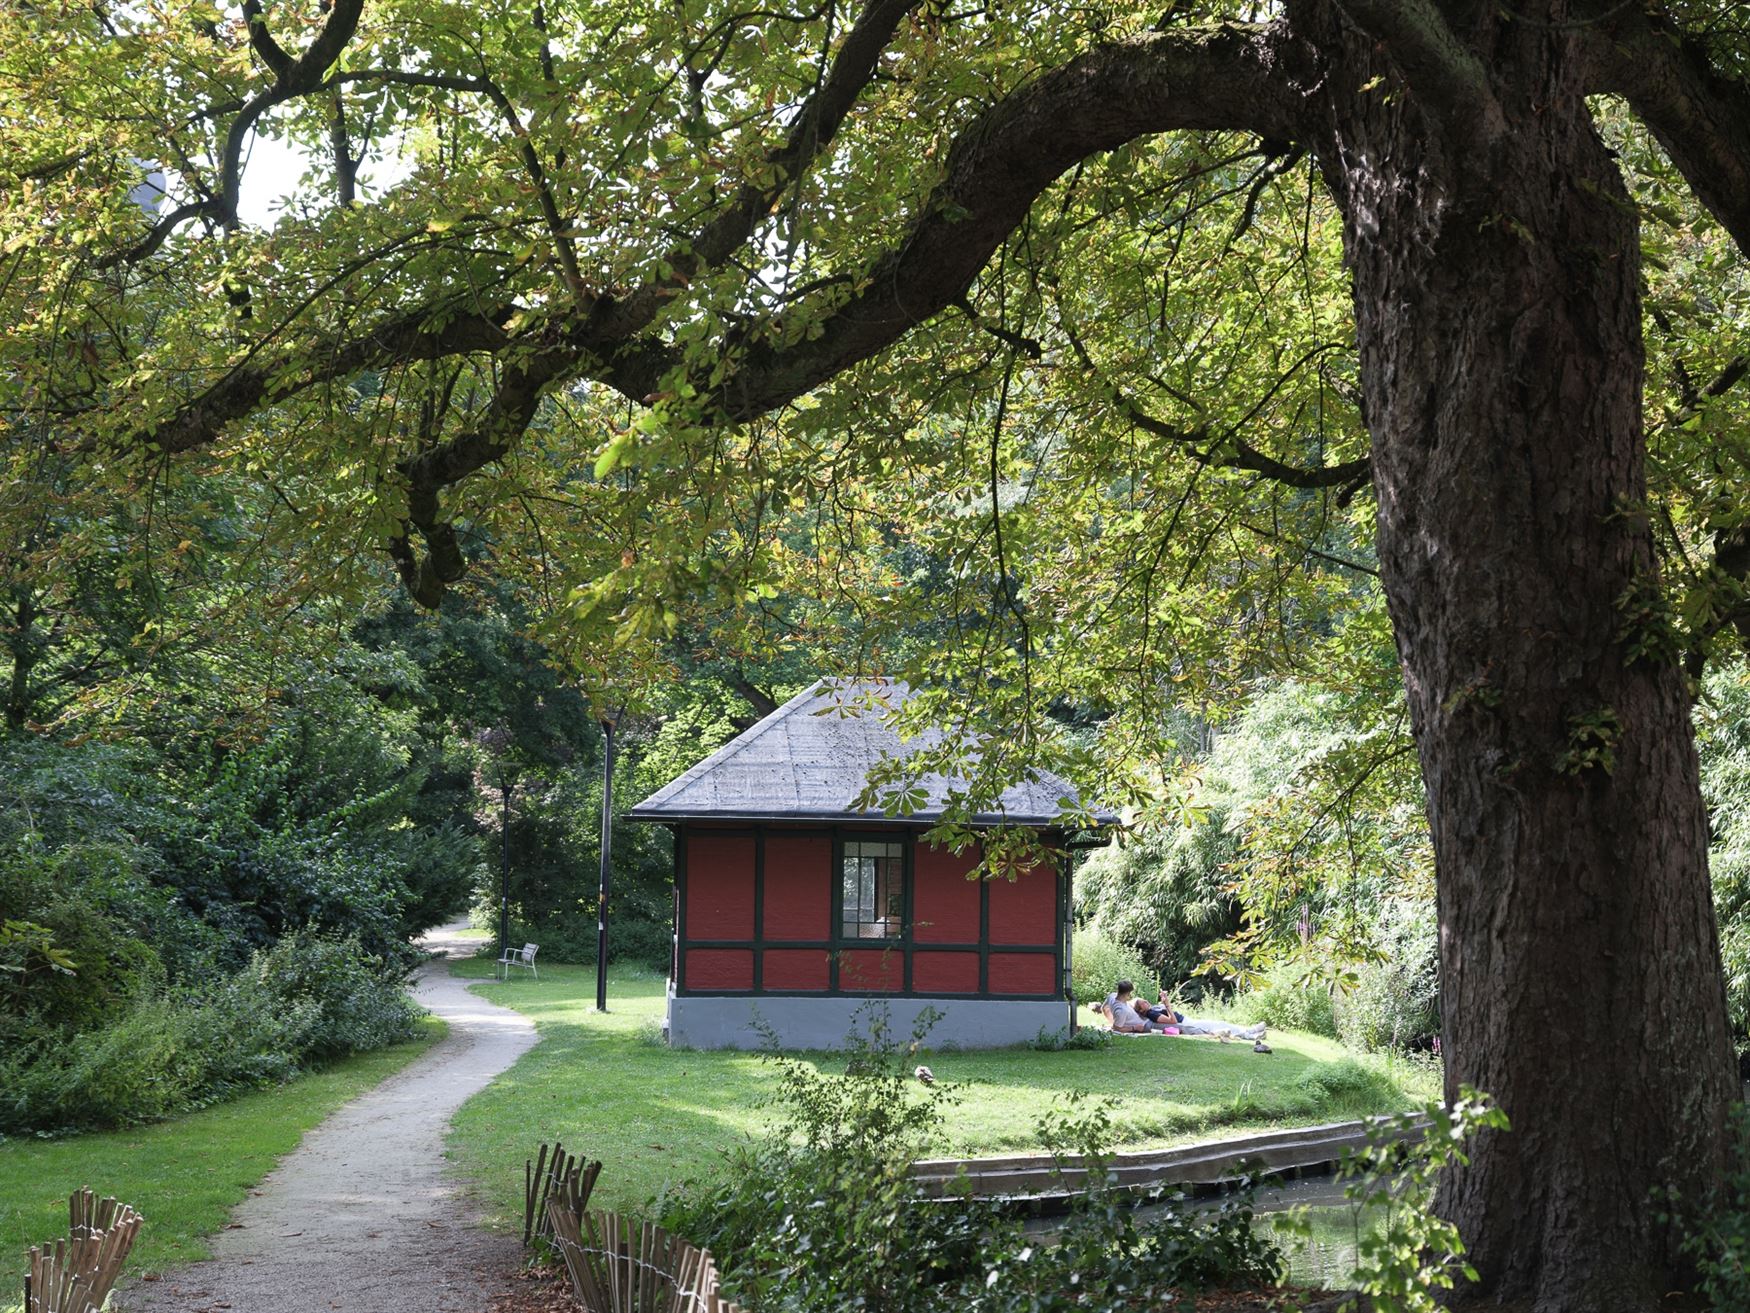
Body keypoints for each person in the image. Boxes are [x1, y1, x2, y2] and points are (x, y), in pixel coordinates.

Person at [1097, 981, 1272, 1051]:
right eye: (1141, 1001)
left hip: (1181, 1020)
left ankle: (1250, 1032)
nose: (1144, 1002)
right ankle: (1250, 1035)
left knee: (1215, 1024)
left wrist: (1108, 1016)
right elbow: (1117, 1028)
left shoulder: (1113, 997)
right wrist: (1133, 1027)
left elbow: (1105, 1007)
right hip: (1174, 1023)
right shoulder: (1126, 1010)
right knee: (1210, 1027)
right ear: (1127, 993)